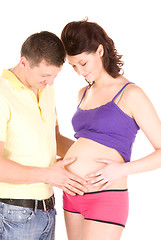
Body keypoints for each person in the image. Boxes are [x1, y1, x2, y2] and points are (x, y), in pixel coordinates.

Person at [60, 19, 161, 240]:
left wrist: (121, 170)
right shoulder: (83, 94)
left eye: (83, 63)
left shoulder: (131, 93)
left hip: (105, 197)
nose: (79, 72)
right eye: (73, 66)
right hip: (71, 194)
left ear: (99, 51)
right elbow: (86, 145)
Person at [0, 31, 87, 240]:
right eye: (45, 75)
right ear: (24, 62)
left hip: (48, 210)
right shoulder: (3, 93)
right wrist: (48, 174)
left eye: (55, 76)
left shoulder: (47, 91)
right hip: (14, 213)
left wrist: (92, 153)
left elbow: (53, 138)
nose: (50, 82)